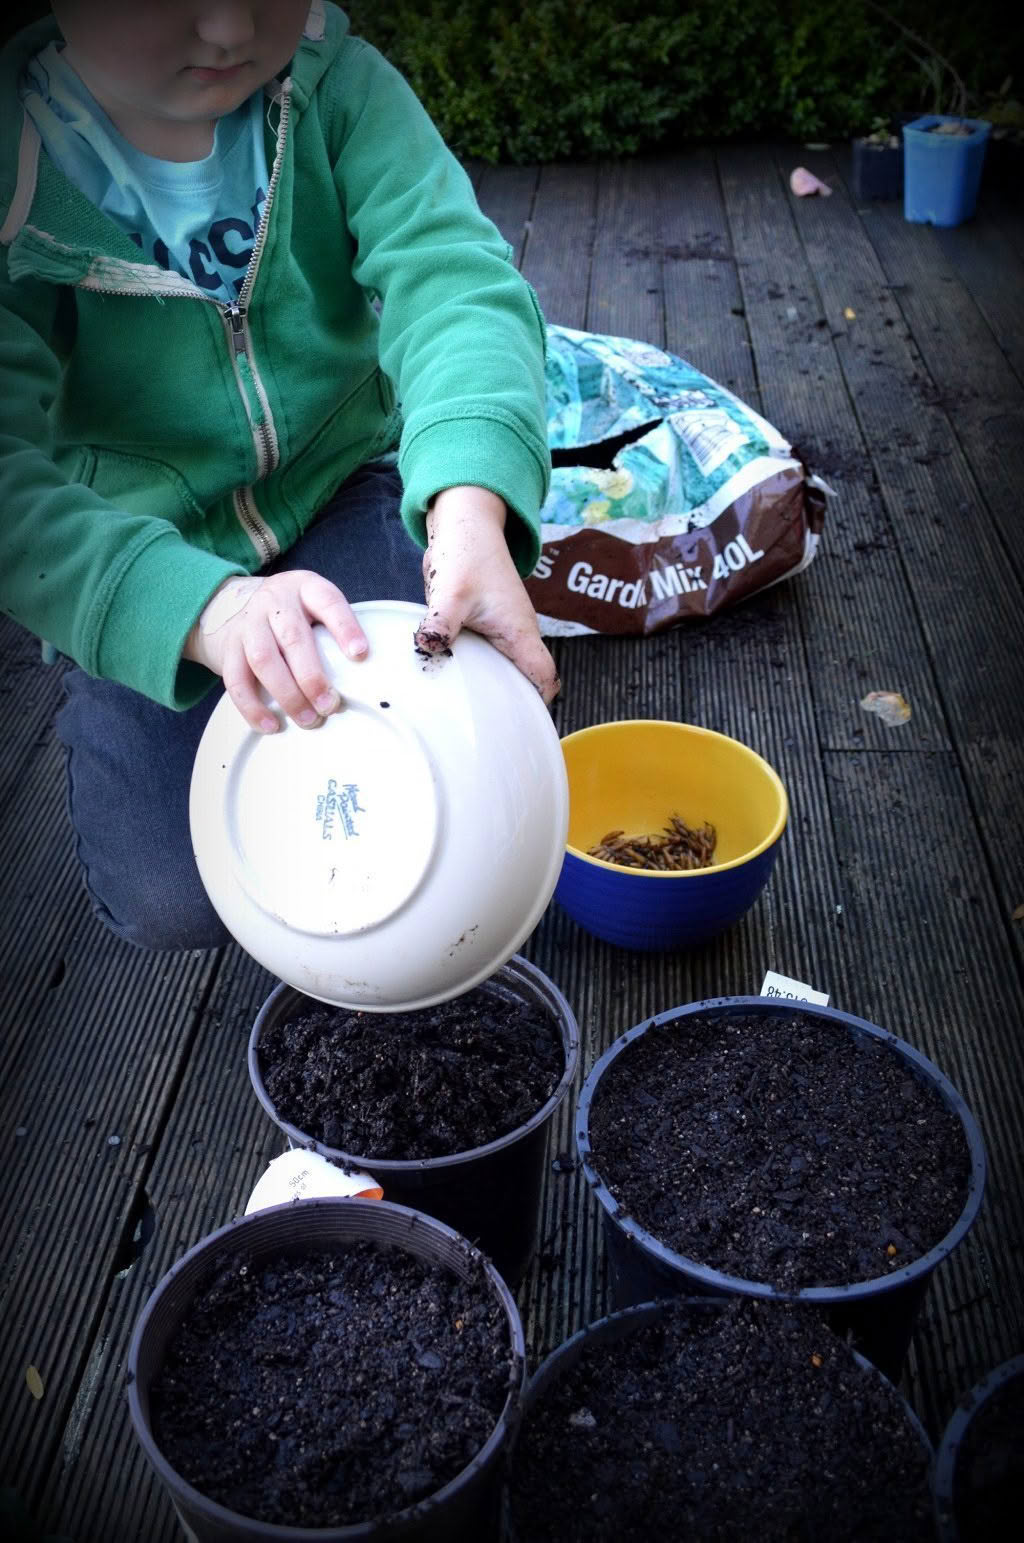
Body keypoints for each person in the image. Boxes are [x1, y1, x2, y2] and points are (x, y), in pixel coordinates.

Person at [0, 1, 559, 950]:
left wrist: (471, 504)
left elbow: (456, 280)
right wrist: (201, 612)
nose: (226, 28)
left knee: (456, 772)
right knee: (175, 896)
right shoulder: (17, 170)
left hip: (335, 483)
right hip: (140, 554)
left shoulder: (334, 89)